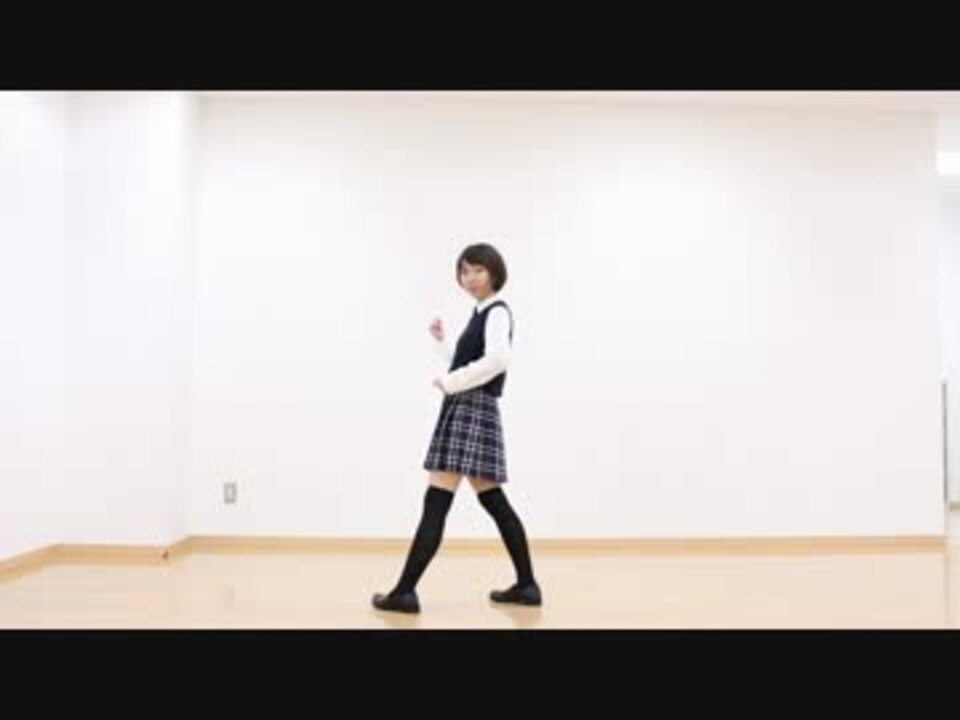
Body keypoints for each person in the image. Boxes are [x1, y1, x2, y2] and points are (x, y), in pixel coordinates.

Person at [371, 242, 542, 614]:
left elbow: (497, 360)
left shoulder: (497, 311)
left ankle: (404, 592)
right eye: (465, 271)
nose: (471, 277)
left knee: (437, 503)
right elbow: (469, 361)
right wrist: (442, 343)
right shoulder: (481, 313)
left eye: (478, 270)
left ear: (494, 273)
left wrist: (451, 382)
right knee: (493, 501)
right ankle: (527, 586)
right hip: (474, 409)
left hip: (469, 409)